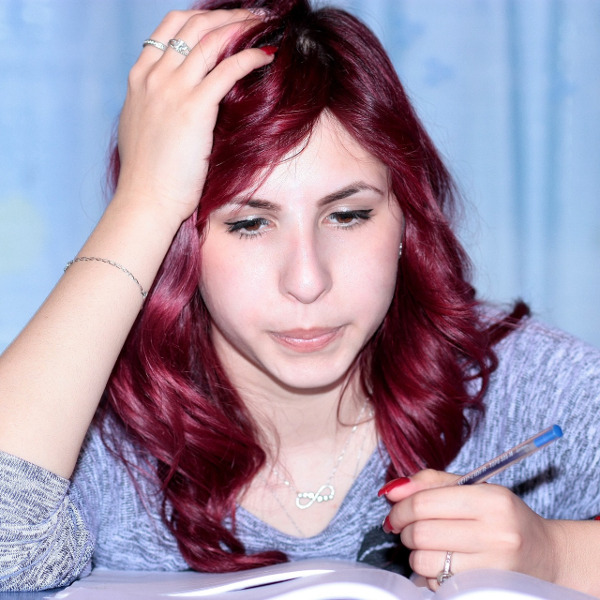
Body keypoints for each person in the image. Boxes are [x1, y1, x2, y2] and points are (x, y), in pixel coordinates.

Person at [0, 0, 599, 595]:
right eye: (249, 225)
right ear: (179, 241)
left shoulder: (530, 386)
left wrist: (560, 556)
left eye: (348, 214)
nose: (307, 281)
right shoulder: (88, 425)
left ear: (406, 221)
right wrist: (144, 200)